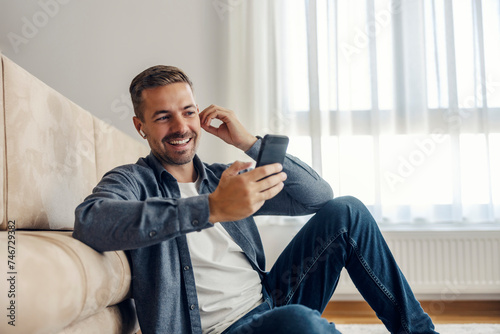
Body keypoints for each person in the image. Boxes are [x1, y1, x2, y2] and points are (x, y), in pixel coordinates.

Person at [73, 65, 437, 334]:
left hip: (270, 301)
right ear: (141, 127)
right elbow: (91, 221)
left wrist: (248, 142)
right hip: (217, 331)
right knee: (301, 323)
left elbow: (316, 197)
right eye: (163, 118)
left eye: (187, 112)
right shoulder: (133, 181)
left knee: (348, 211)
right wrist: (212, 208)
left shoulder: (223, 177)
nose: (181, 127)